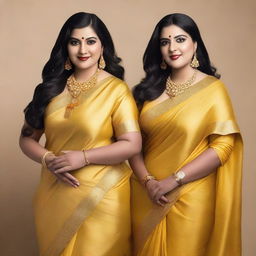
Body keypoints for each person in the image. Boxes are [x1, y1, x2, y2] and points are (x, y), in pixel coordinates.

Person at [19, 12, 141, 256]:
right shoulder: (50, 88)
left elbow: (132, 144)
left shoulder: (116, 90)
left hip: (104, 194)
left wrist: (83, 157)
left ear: (102, 46)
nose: (83, 49)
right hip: (55, 193)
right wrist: (48, 160)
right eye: (75, 42)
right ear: (66, 47)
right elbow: (26, 139)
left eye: (90, 41)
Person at [129, 13, 243, 256]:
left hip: (191, 195)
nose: (173, 48)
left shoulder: (213, 90)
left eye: (180, 39)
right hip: (146, 195)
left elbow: (222, 146)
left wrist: (174, 179)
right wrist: (148, 182)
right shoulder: (145, 92)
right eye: (164, 42)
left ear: (195, 45)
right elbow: (132, 144)